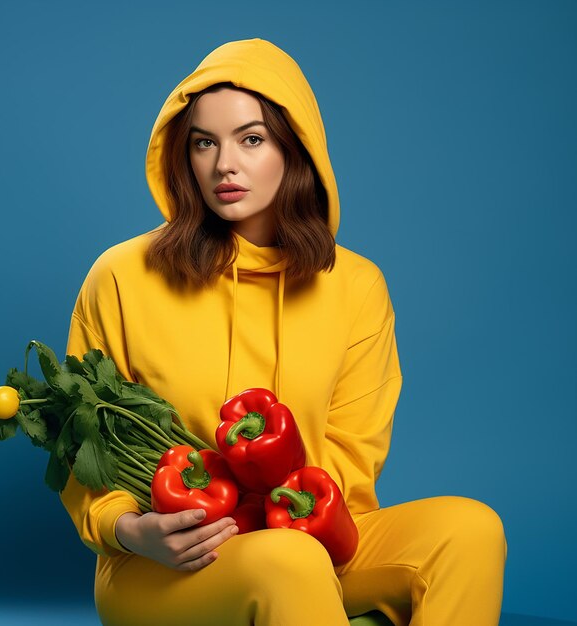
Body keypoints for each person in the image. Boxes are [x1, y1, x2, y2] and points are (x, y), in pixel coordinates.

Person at [61, 38, 507, 626]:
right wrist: (128, 528)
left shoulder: (355, 286)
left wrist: (290, 521)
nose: (225, 164)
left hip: (313, 540)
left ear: (296, 149)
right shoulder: (122, 276)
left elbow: (353, 450)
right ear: (183, 155)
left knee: (470, 530)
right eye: (204, 142)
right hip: (167, 564)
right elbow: (81, 438)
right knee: (287, 562)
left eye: (251, 139)